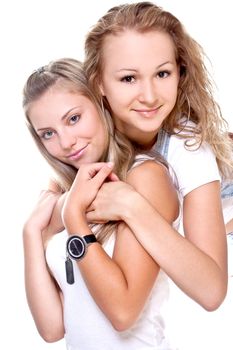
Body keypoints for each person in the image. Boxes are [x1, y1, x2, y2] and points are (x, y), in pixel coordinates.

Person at [22, 58, 180, 349]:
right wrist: (31, 233)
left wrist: (74, 219)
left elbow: (123, 312)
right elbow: (53, 328)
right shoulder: (67, 195)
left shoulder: (143, 177)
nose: (66, 142)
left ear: (100, 102)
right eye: (48, 133)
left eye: (73, 118)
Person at [83, 0, 233, 300]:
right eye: (129, 78)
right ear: (98, 82)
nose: (150, 96)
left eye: (162, 74)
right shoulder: (85, 129)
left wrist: (132, 206)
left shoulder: (188, 145)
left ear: (180, 72)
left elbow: (212, 291)